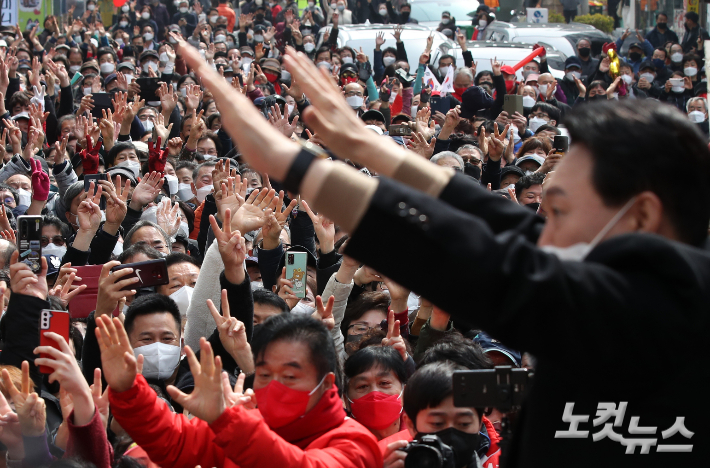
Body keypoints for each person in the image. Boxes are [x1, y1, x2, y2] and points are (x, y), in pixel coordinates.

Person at [175, 38, 710, 465]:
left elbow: (489, 258)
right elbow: (494, 220)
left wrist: (298, 167)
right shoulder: (646, 284)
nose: (541, 231)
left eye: (562, 212)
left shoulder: (672, 303)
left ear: (640, 215)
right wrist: (370, 148)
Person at [101, 312, 383, 467]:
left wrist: (228, 420)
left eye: (289, 376)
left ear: (327, 383)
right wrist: (128, 390)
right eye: (263, 374)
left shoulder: (354, 442)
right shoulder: (244, 426)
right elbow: (174, 442)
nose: (273, 386)